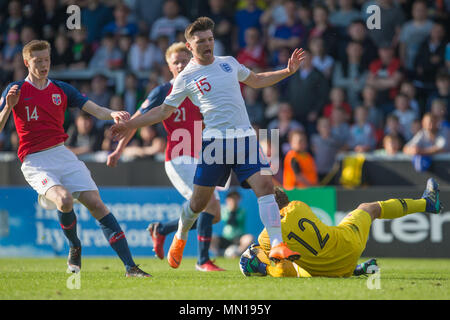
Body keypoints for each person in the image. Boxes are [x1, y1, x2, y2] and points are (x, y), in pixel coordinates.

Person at [110, 17, 306, 269]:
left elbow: (256, 80)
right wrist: (130, 125)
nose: (207, 44)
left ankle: (278, 244)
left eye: (210, 39)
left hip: (245, 139)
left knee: (266, 184)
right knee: (199, 203)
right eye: (200, 41)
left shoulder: (228, 63)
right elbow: (162, 112)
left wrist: (287, 71)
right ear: (190, 46)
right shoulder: (186, 78)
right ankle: (180, 236)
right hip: (215, 145)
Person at [0, 40, 150, 277]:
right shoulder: (16, 90)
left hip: (62, 153)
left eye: (46, 60)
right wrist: (8, 108)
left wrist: (112, 114)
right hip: (35, 160)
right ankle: (74, 245)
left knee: (97, 204)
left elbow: (93, 108)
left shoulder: (61, 89)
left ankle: (131, 267)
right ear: (27, 62)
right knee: (64, 200)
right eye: (37, 61)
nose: (43, 65)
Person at [107, 41, 226, 271]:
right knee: (207, 205)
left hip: (201, 155)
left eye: (184, 60)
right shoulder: (162, 92)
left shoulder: (201, 87)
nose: (181, 65)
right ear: (168, 66)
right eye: (176, 62)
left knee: (215, 214)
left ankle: (162, 229)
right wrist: (119, 150)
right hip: (179, 157)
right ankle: (203, 261)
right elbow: (135, 122)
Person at [240, 180, 442, 278]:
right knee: (369, 209)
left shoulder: (267, 237)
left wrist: (260, 265)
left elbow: (282, 270)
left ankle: (353, 271)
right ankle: (426, 203)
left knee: (293, 262)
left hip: (327, 271)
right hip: (348, 245)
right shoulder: (298, 206)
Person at [211, 189, 254, 258]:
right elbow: (225, 219)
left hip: (238, 239)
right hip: (225, 238)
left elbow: (234, 220)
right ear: (227, 200)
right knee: (210, 237)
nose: (233, 200)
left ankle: (238, 253)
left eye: (236, 198)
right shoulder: (223, 210)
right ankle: (218, 253)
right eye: (232, 198)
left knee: (249, 238)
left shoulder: (242, 211)